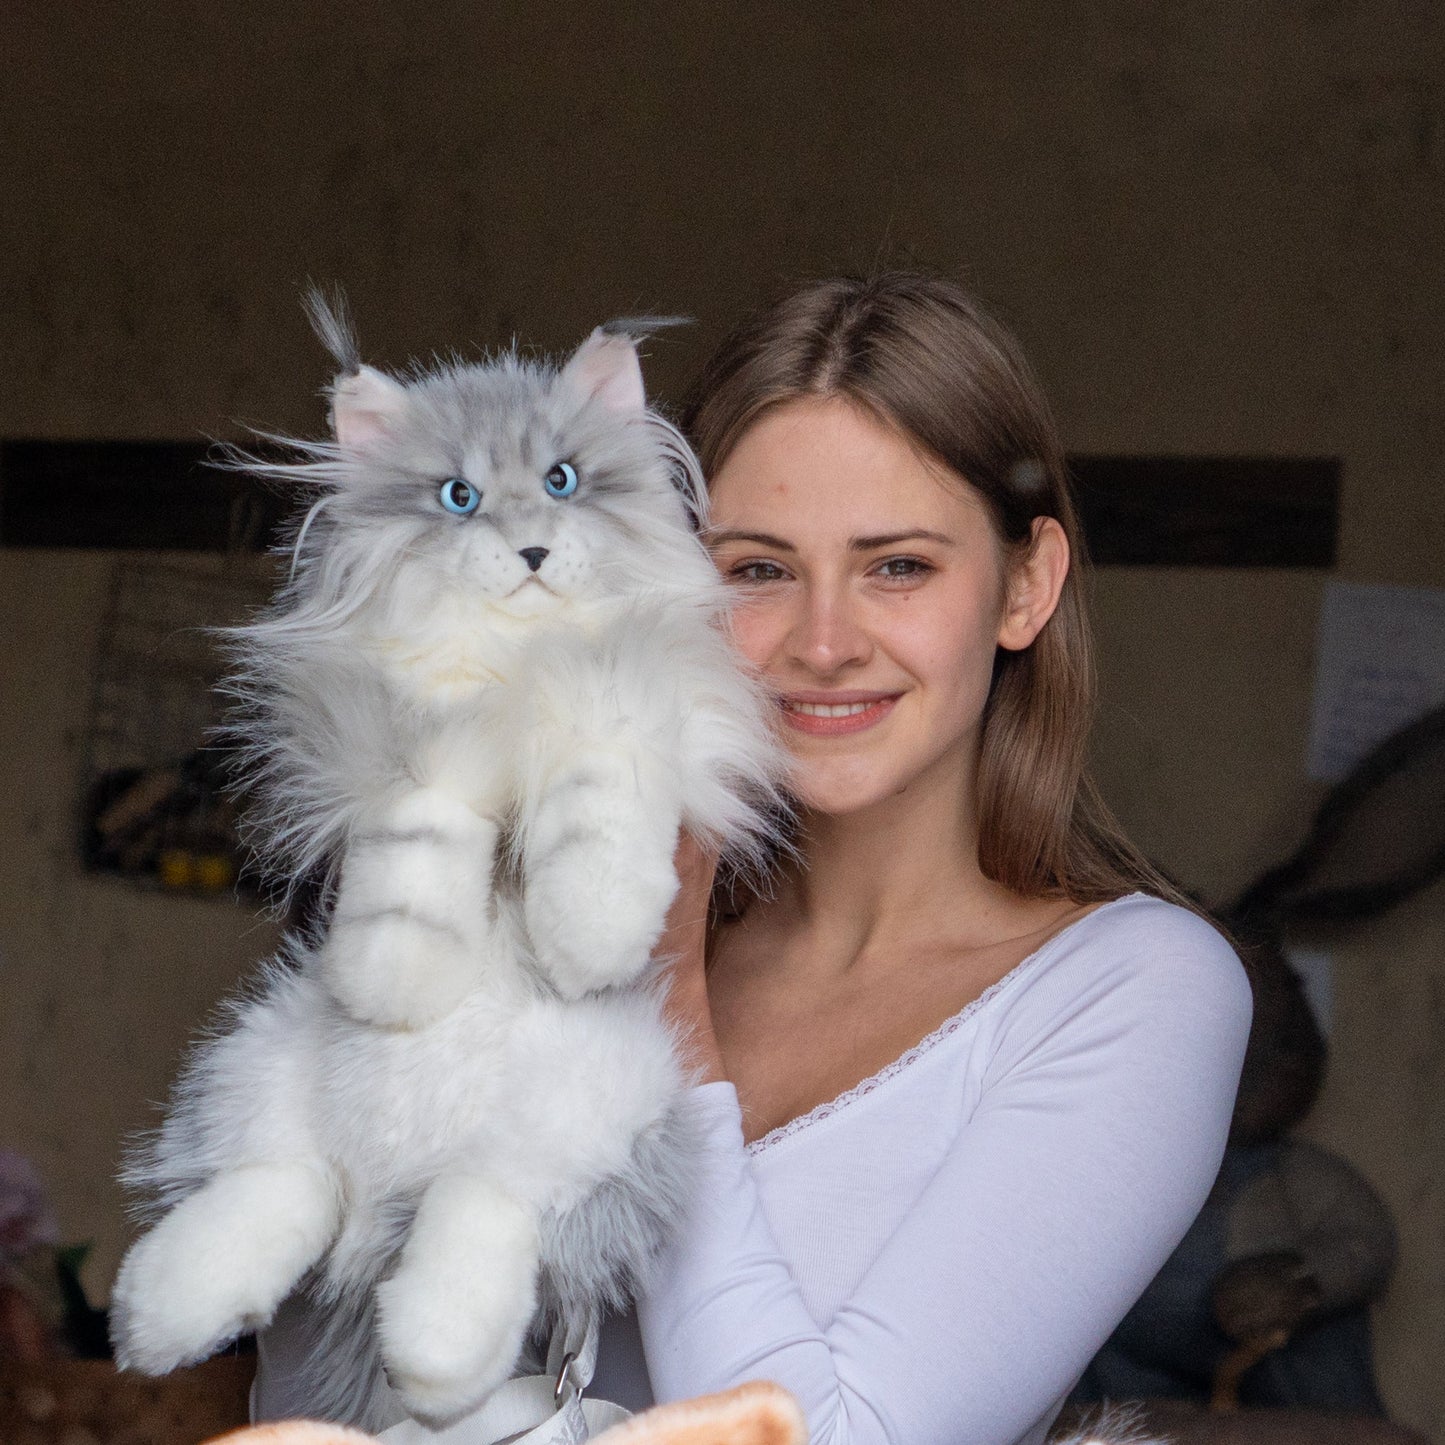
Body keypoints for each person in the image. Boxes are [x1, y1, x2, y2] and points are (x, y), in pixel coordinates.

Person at [583, 273, 1253, 1445]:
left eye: (896, 565)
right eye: (757, 569)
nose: (823, 643)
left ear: (1024, 585)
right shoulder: (566, 954)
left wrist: (667, 997)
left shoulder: (1136, 987)